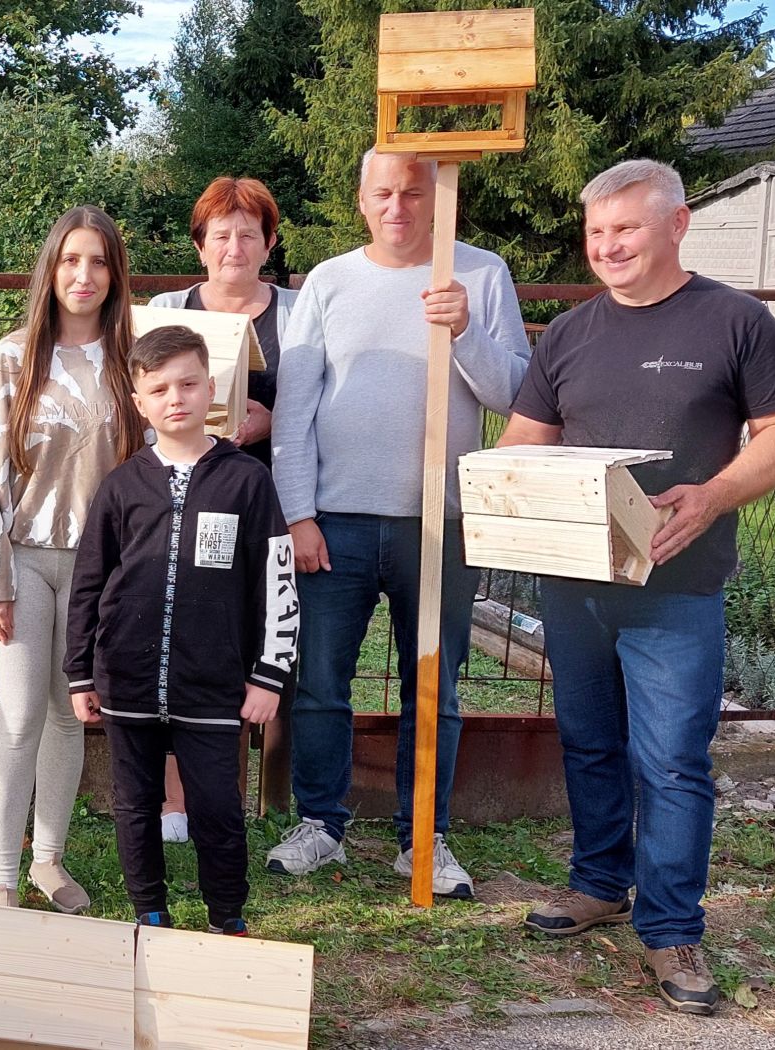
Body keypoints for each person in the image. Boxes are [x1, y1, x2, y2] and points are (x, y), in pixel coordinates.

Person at [499, 159, 775, 1015]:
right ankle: (600, 883)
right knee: (590, 740)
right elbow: (527, 438)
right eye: (596, 234)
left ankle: (671, 928)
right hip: (576, 580)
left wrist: (714, 495)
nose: (608, 247)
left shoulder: (735, 321)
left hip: (678, 582)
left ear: (676, 226)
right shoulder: (569, 334)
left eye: (625, 229)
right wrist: (493, 486)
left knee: (671, 761)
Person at [268, 150, 530, 895]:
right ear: (361, 200)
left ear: (438, 199)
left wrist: (465, 331)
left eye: (413, 192)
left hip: (438, 521)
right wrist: (299, 514)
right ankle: (320, 823)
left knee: (435, 684)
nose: (398, 206)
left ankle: (424, 836)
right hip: (336, 521)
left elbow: (515, 392)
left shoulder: (480, 273)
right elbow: (294, 409)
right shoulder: (329, 281)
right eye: (383, 192)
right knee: (320, 680)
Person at [65, 326, 298, 935]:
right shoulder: (121, 486)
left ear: (212, 389)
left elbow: (276, 580)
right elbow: (89, 581)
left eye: (189, 383)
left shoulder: (246, 480)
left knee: (218, 809)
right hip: (128, 682)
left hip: (214, 683)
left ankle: (228, 919)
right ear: (140, 402)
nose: (176, 398)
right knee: (136, 806)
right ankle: (149, 913)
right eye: (159, 388)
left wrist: (269, 675)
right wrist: (80, 672)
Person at [0, 205, 145, 940]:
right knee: (23, 713)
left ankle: (49, 860)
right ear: (51, 269)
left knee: (74, 715)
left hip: (104, 567)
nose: (84, 275)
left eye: (98, 262)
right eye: (71, 260)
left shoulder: (135, 357)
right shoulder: (13, 357)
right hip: (25, 558)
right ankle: (4, 880)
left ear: (115, 273)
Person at [146, 175, 299, 843]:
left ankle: (259, 797)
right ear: (200, 244)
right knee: (186, 643)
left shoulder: (299, 309)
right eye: (220, 234)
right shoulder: (167, 307)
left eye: (248, 232)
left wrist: (273, 420)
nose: (234, 245)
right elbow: (143, 398)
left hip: (267, 504)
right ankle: (177, 802)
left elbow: (323, 404)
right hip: (186, 506)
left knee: (259, 643)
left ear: (269, 242)